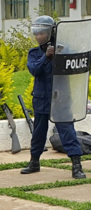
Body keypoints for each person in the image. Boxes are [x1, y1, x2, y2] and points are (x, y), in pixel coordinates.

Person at [21, 15, 86, 179]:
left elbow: (76, 67)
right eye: (36, 33)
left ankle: (77, 166)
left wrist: (59, 53)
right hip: (41, 98)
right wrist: (46, 57)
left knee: (68, 132)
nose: (38, 37)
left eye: (42, 33)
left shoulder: (65, 50)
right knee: (38, 133)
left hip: (61, 98)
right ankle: (34, 162)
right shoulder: (34, 53)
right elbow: (34, 70)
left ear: (51, 32)